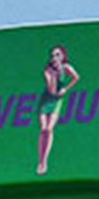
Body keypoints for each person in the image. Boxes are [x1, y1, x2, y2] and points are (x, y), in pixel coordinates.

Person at [36, 45, 80, 176]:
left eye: (57, 55)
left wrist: (65, 89)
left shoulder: (66, 68)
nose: (55, 58)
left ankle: (44, 161)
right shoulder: (48, 71)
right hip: (46, 100)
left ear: (63, 57)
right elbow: (51, 89)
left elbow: (76, 77)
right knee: (43, 128)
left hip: (57, 101)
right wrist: (53, 75)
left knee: (49, 129)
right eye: (53, 55)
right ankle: (40, 160)